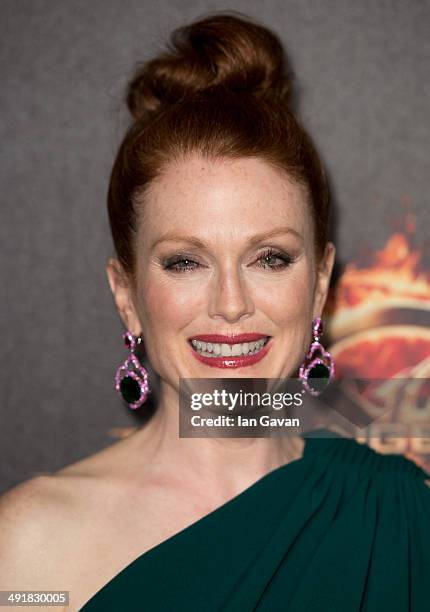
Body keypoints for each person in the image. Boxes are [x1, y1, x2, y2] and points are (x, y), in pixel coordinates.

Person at [1, 11, 429, 612]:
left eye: (270, 259)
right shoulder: (29, 549)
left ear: (320, 282)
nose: (231, 303)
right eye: (184, 262)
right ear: (126, 295)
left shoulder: (401, 516)